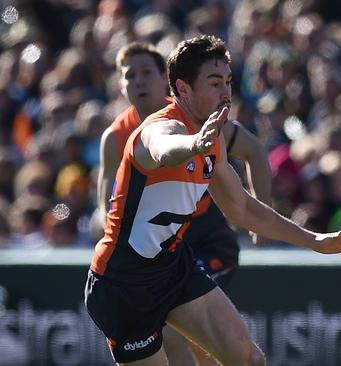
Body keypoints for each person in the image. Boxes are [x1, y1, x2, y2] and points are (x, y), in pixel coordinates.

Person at [84, 35, 341, 366]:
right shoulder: (159, 128)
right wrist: (193, 145)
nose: (226, 93)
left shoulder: (214, 139)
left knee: (249, 359)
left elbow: (243, 208)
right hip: (123, 284)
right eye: (214, 82)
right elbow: (163, 148)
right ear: (183, 89)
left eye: (228, 82)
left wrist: (315, 240)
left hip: (173, 268)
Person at [95, 42, 275, 365]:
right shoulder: (116, 136)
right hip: (158, 255)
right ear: (120, 85)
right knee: (179, 334)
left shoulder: (200, 118)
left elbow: (255, 151)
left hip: (207, 241)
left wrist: (261, 211)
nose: (138, 81)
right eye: (129, 75)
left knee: (190, 334)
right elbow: (106, 204)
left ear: (167, 81)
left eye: (146, 72)